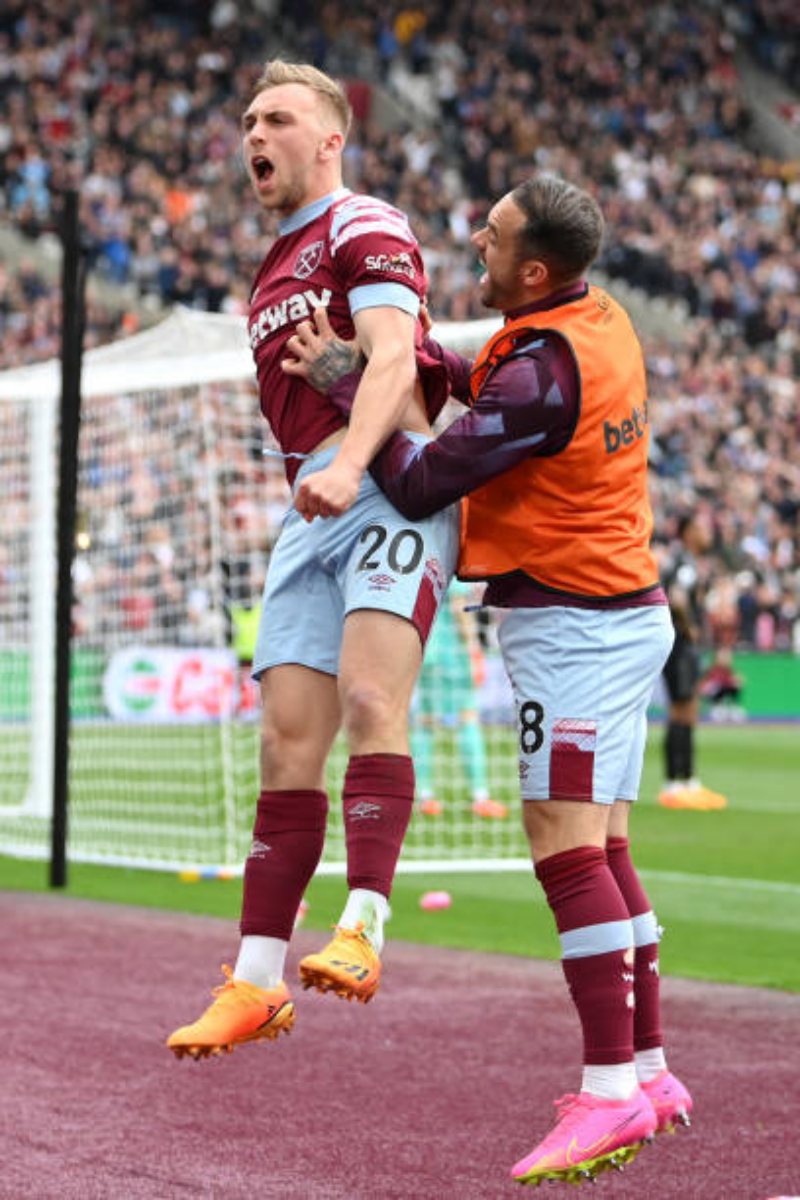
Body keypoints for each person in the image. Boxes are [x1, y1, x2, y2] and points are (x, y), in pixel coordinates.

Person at [286, 175, 692, 1186]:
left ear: (534, 269)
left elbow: (423, 480)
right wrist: (410, 350)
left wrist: (351, 384)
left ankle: (604, 1097)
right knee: (603, 844)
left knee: (563, 855)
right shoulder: (584, 320)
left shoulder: (546, 371)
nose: (478, 236)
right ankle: (646, 1071)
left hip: (572, 627)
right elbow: (494, 380)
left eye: (494, 235)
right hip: (618, 612)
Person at [166, 61, 460, 1060]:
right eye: (248, 119)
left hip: (382, 488)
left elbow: (391, 355)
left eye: (278, 118)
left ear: (328, 138)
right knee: (287, 744)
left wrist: (347, 460)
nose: (256, 133)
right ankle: (254, 981)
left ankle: (364, 929)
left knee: (374, 704)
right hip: (311, 507)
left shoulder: (360, 225)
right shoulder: (272, 264)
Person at [412, 578, 507, 819]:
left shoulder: (429, 566)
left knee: (425, 723)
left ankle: (425, 796)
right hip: (452, 656)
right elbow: (460, 609)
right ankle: (480, 796)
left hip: (427, 653)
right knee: (468, 720)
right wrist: (474, 650)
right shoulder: (455, 571)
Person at [658, 513, 728, 810]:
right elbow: (676, 598)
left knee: (688, 710)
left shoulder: (688, 563)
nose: (706, 531)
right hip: (680, 645)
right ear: (687, 533)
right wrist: (690, 627)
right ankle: (674, 783)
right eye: (700, 527)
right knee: (680, 710)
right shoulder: (684, 564)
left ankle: (687, 779)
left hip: (683, 645)